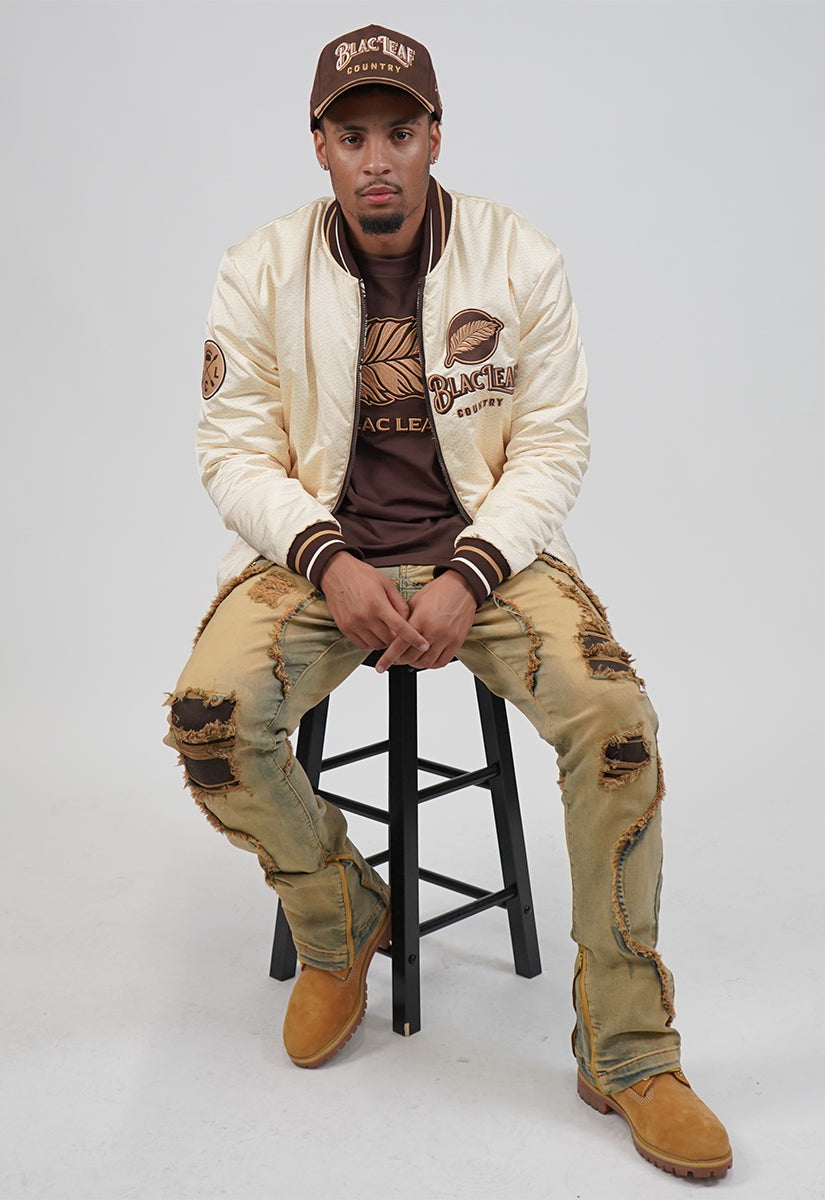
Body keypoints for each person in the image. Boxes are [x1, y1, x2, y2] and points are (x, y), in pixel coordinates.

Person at [165, 23, 731, 1179]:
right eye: (353, 137)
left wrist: (473, 572)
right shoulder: (258, 268)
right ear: (319, 144)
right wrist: (327, 558)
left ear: (434, 136)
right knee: (208, 721)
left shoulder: (520, 259)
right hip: (319, 562)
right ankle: (340, 918)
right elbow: (232, 452)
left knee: (616, 725)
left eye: (400, 132)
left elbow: (554, 446)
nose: (377, 160)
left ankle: (627, 1049)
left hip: (493, 558)